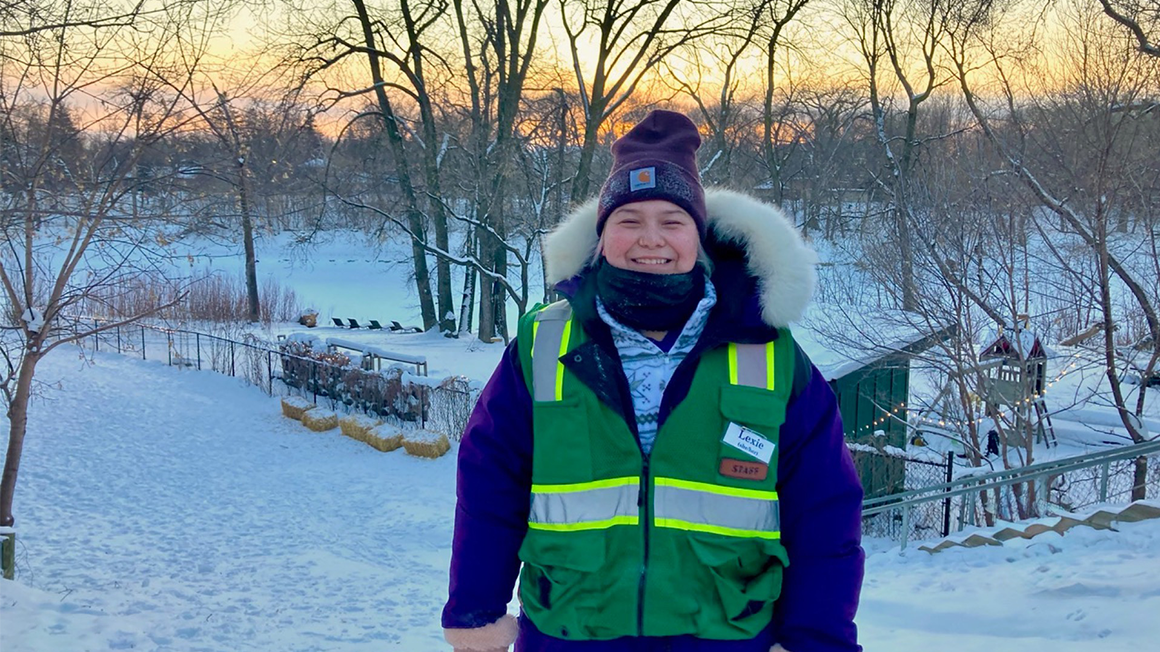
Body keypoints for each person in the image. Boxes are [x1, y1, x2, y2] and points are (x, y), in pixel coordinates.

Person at [442, 110, 864, 652]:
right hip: (569, 633)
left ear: (699, 235)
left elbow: (825, 509)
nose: (650, 239)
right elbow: (489, 483)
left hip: (726, 637)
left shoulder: (768, 353)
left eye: (672, 220)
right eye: (628, 219)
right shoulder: (543, 343)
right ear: (601, 235)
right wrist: (476, 608)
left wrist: (816, 638)